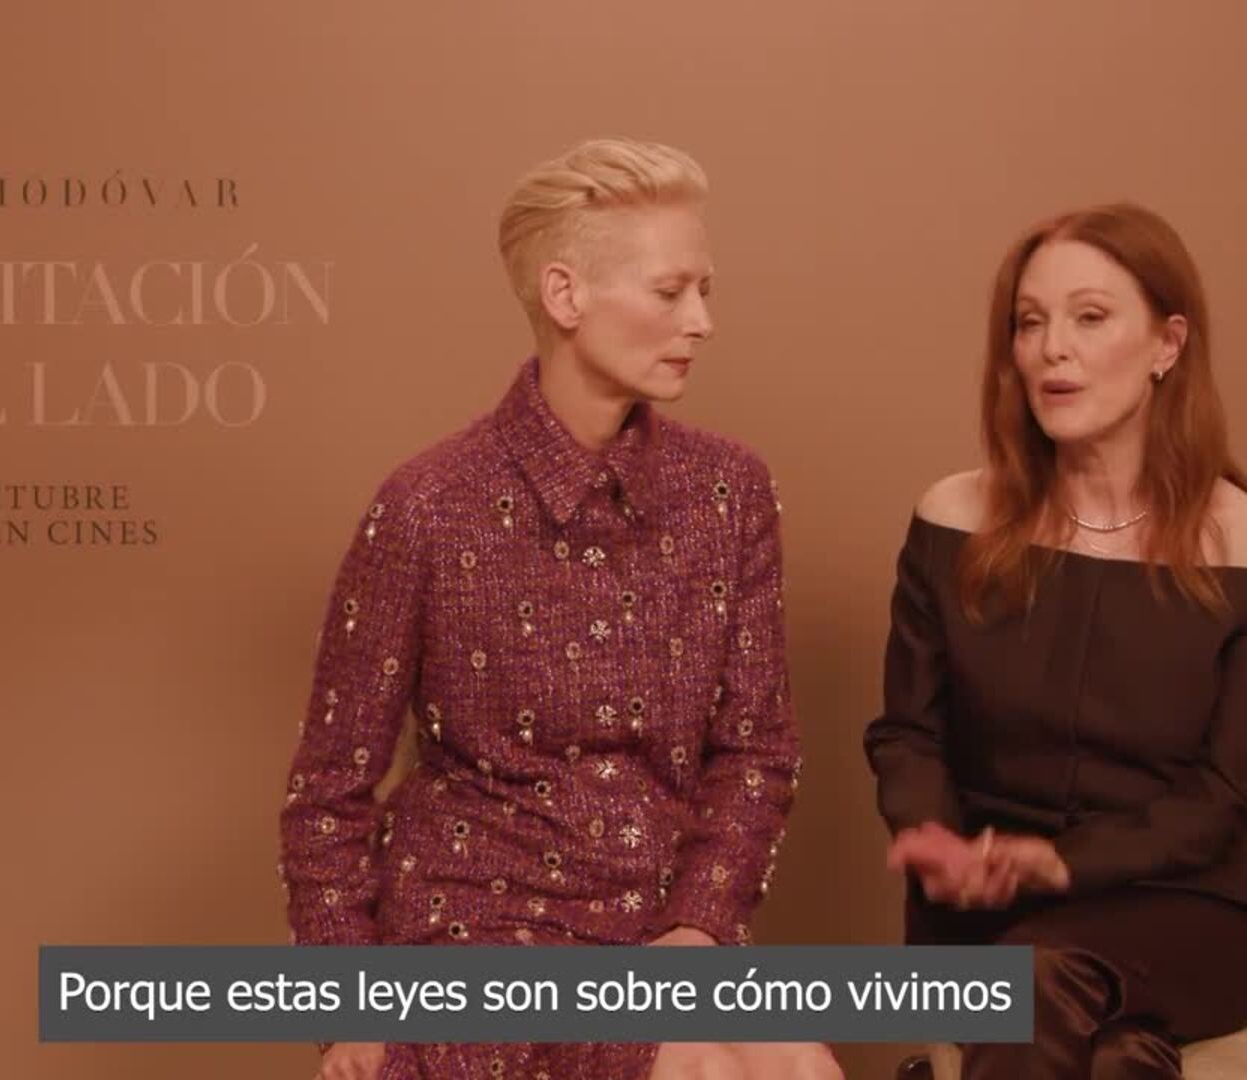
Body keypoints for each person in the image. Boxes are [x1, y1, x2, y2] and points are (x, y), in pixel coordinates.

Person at [279, 137, 839, 1080]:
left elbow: (758, 751)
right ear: (565, 295)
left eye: (706, 290)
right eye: (670, 292)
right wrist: (345, 1008)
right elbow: (326, 792)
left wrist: (700, 926)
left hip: (661, 926)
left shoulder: (728, 493)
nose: (701, 321)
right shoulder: (427, 506)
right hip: (473, 932)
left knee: (801, 1068)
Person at [864, 202, 1247, 1079]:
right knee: (1108, 1056)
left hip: (1187, 913)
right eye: (1030, 323)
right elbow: (909, 733)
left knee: (1033, 983)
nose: (1051, 348)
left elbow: (1228, 796)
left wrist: (1061, 864)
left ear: (1167, 345)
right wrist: (934, 837)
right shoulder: (951, 517)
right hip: (983, 914)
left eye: (1090, 317)